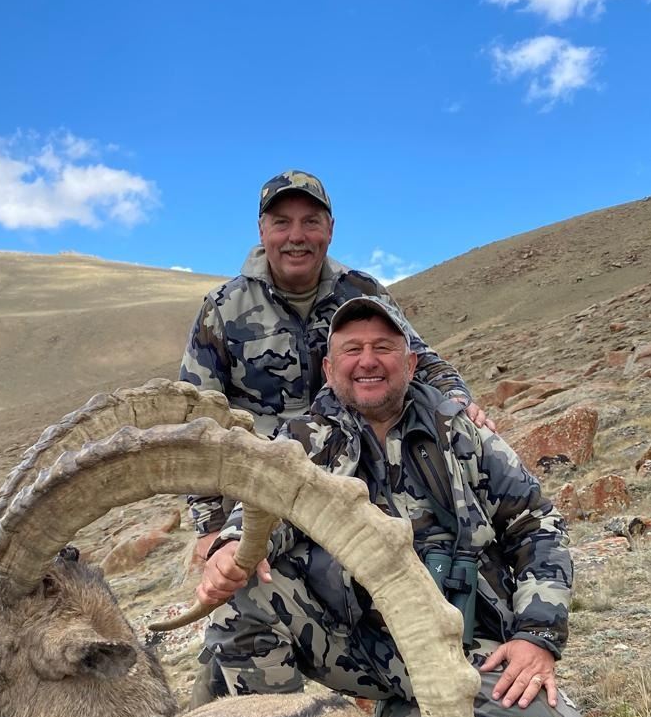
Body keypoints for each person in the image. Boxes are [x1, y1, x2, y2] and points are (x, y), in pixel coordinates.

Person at [193, 295, 586, 717]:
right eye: (352, 349)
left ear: (411, 362)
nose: (368, 361)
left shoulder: (463, 434)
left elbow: (538, 528)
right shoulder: (301, 443)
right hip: (355, 643)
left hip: (462, 648)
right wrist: (232, 545)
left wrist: (537, 635)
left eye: (383, 347)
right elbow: (263, 514)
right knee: (245, 586)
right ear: (329, 368)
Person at [179, 169, 493, 561]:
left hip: (356, 470)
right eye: (282, 223)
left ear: (330, 229)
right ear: (262, 231)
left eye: (311, 222)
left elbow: (419, 360)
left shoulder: (362, 291)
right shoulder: (222, 309)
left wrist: (458, 400)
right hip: (264, 491)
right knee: (248, 584)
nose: (297, 236)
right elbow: (197, 416)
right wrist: (209, 526)